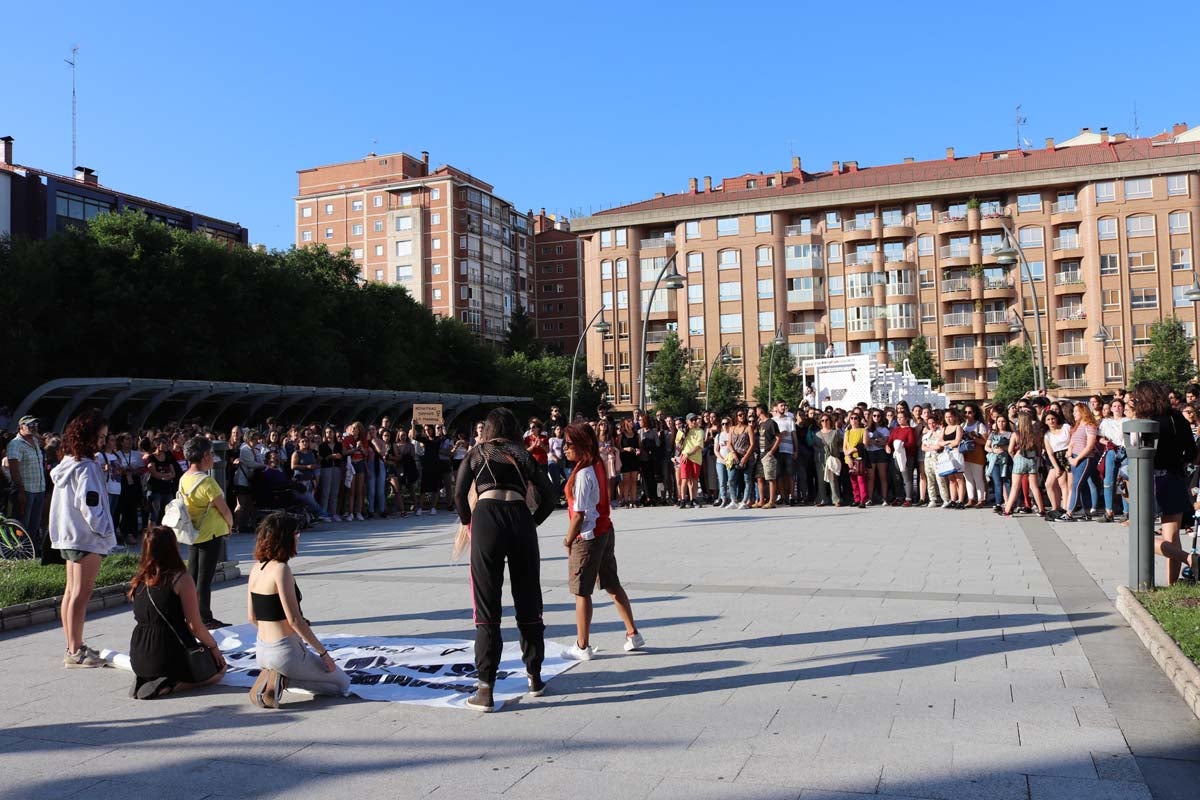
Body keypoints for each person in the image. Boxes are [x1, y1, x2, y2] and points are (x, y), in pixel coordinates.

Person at [454, 408, 556, 711]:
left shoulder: (477, 453)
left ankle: (485, 689)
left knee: (486, 604)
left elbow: (460, 495)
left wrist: (469, 523)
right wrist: (531, 522)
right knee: (528, 596)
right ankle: (534, 676)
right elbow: (550, 495)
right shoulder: (523, 454)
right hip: (520, 518)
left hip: (486, 517)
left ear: (488, 429)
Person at [248, 512, 351, 707]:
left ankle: (276, 675)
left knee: (314, 674)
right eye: (297, 534)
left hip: (261, 649)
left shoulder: (256, 568)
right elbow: (295, 619)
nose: (298, 538)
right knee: (342, 685)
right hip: (285, 651)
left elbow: (252, 617)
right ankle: (284, 678)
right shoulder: (281, 570)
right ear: (286, 538)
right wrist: (323, 654)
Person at [561, 423, 644, 663]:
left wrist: (568, 539)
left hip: (588, 536)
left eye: (569, 444)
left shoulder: (584, 473)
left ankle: (582, 645)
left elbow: (579, 514)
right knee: (611, 584)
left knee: (581, 592)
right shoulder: (595, 464)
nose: (565, 448)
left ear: (582, 445)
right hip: (605, 529)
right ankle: (633, 633)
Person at [48, 409, 117, 668]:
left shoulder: (67, 463)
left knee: (71, 592)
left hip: (68, 536)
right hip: (86, 537)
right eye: (100, 437)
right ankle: (75, 650)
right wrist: (105, 531)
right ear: (88, 437)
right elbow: (91, 505)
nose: (103, 442)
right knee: (81, 593)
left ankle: (72, 645)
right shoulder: (86, 467)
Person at [127, 525, 227, 698]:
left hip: (139, 654)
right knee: (217, 671)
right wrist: (214, 647)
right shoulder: (180, 578)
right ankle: (173, 685)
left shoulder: (139, 580)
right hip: (168, 651)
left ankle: (151, 678)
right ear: (173, 547)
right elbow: (194, 625)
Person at [1128, 381, 1197, 584]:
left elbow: (1134, 450)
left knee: (1140, 534)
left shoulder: (1145, 420)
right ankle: (1172, 584)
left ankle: (1190, 559)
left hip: (1149, 479)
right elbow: (1192, 453)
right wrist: (1178, 462)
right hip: (1175, 477)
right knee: (1172, 535)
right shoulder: (1177, 418)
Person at [178, 436, 235, 628]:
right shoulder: (207, 482)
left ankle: (189, 614)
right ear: (204, 456)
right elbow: (224, 509)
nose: (213, 457)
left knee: (192, 575)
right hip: (210, 533)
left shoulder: (184, 478)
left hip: (193, 532)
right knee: (204, 578)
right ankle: (204, 617)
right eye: (211, 453)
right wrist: (230, 525)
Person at [6, 415, 47, 555]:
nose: (33, 427)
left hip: (39, 489)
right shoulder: (15, 444)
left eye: (35, 424)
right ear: (21, 427)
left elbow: (47, 442)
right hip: (26, 489)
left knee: (34, 524)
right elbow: (14, 469)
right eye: (29, 425)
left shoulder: (35, 441)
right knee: (23, 523)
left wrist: (36, 434)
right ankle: (20, 551)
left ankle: (31, 550)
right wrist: (21, 490)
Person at [1002, 412, 1048, 517]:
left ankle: (1008, 509)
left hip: (1019, 459)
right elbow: (1039, 449)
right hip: (1032, 460)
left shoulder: (1016, 434)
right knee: (1034, 486)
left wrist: (1014, 458)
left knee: (1015, 487)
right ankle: (1041, 509)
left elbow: (1010, 450)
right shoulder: (1034, 434)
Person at [1062, 403, 1100, 521]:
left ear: (1083, 412)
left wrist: (1077, 459)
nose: (1074, 413)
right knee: (1082, 487)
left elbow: (1089, 446)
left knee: (1076, 485)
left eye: (1076, 411)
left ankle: (1069, 512)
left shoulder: (1090, 425)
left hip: (1085, 459)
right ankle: (1086, 512)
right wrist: (1069, 453)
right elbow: (1072, 442)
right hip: (1074, 457)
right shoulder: (1077, 426)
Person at [1099, 397, 1127, 523]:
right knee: (1108, 481)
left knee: (1124, 481)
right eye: (1114, 406)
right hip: (1111, 450)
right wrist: (1105, 441)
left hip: (1124, 451)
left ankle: (1127, 511)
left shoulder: (1128, 420)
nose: (1117, 408)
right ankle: (1109, 511)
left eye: (1119, 406)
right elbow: (1100, 437)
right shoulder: (1106, 422)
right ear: (1111, 408)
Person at [1042, 409, 1071, 520]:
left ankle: (1066, 508)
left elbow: (1072, 440)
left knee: (1064, 484)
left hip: (1068, 455)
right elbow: (1049, 453)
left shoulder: (1065, 427)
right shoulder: (1047, 435)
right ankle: (1055, 507)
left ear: (1057, 418)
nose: (1051, 421)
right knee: (1049, 484)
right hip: (1056, 459)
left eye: (1053, 418)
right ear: (1045, 421)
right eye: (1048, 419)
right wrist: (1057, 467)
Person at [886, 406, 918, 506]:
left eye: (901, 418)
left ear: (906, 418)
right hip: (896, 456)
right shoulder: (895, 430)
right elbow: (890, 441)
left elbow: (912, 443)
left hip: (906, 456)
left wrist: (902, 444)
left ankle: (908, 498)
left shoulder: (909, 430)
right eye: (898, 418)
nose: (899, 420)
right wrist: (887, 446)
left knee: (906, 477)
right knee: (897, 477)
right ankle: (899, 496)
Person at [753, 405, 780, 509]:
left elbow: (778, 438)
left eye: (757, 410)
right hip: (760, 453)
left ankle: (772, 501)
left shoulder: (771, 423)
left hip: (768, 453)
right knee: (759, 477)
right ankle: (761, 500)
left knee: (770, 478)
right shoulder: (760, 424)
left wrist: (772, 451)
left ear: (760, 410)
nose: (756, 412)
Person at [813, 413, 843, 507]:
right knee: (821, 480)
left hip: (832, 458)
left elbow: (840, 444)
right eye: (822, 420)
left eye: (827, 420)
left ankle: (836, 499)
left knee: (833, 480)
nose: (825, 422)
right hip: (821, 459)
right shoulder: (817, 434)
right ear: (820, 422)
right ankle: (822, 499)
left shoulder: (835, 432)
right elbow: (814, 446)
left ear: (830, 421)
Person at [986, 414, 1014, 513]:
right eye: (999, 421)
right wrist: (993, 450)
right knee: (997, 482)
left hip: (1006, 461)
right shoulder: (993, 434)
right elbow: (987, 447)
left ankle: (1011, 503)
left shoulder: (1010, 434)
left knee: (1007, 482)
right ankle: (998, 503)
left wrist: (1004, 448)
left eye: (1003, 421)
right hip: (995, 461)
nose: (1001, 424)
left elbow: (1013, 446)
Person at [678, 413, 706, 508]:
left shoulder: (700, 431)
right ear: (687, 421)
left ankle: (693, 499)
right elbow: (677, 445)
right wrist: (681, 440)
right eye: (692, 420)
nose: (694, 421)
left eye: (695, 419)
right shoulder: (682, 431)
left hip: (695, 458)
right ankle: (682, 500)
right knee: (684, 479)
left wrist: (688, 454)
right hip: (685, 457)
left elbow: (698, 446)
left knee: (694, 480)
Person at [844, 411, 868, 508]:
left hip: (859, 458)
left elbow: (865, 444)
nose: (853, 420)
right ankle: (856, 499)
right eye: (852, 418)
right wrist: (848, 456)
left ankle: (863, 499)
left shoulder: (863, 430)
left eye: (855, 418)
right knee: (853, 480)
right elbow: (844, 447)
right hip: (849, 458)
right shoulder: (847, 432)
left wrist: (853, 450)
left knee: (860, 479)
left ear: (859, 420)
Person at [617, 417, 640, 508]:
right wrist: (626, 449)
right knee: (626, 481)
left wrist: (638, 450)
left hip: (634, 458)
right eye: (629, 422)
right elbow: (618, 448)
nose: (631, 423)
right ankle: (626, 501)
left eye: (632, 422)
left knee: (634, 480)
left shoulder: (636, 434)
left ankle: (633, 500)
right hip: (625, 459)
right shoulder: (621, 435)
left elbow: (639, 446)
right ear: (625, 423)